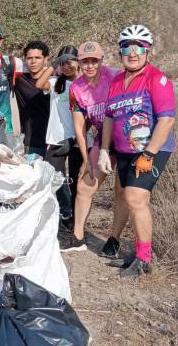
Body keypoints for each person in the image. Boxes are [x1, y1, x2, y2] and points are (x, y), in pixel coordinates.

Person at [99, 25, 176, 277]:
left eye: (138, 48)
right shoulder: (117, 80)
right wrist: (103, 149)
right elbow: (109, 118)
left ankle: (144, 258)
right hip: (123, 150)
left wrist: (149, 153)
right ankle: (133, 250)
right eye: (126, 48)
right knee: (122, 196)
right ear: (120, 51)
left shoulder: (157, 78)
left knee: (135, 198)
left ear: (147, 50)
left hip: (151, 149)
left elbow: (166, 120)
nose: (132, 53)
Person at [63, 41, 128, 257]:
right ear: (79, 63)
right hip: (103, 139)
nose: (90, 66)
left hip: (126, 137)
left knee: (122, 192)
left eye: (94, 61)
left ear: (101, 61)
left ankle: (114, 240)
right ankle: (78, 237)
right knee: (84, 186)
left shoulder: (116, 77)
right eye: (85, 61)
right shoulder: (76, 88)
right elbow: (80, 128)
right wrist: (85, 158)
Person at [35, 45, 83, 229]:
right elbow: (39, 84)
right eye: (63, 62)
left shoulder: (85, 83)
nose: (67, 66)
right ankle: (62, 211)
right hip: (56, 138)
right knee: (54, 178)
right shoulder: (56, 83)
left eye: (71, 61)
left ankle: (75, 218)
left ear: (78, 62)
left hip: (79, 140)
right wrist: (53, 65)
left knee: (77, 182)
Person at [14, 41, 52, 157]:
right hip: (31, 141)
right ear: (25, 59)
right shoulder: (19, 80)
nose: (33, 61)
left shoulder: (55, 81)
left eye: (38, 57)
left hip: (54, 141)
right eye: (29, 58)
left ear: (46, 59)